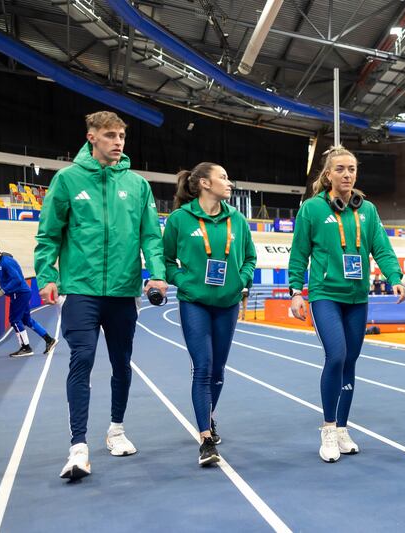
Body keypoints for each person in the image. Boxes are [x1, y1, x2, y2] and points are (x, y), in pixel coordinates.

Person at [34, 111, 167, 480]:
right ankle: (78, 447)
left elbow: (150, 237)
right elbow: (48, 234)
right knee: (82, 358)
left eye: (121, 135)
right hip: (81, 288)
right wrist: (47, 275)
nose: (118, 142)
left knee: (122, 363)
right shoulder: (67, 180)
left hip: (123, 291)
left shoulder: (138, 185)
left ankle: (116, 429)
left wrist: (157, 274)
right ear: (91, 137)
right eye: (110, 135)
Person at [288, 146, 405, 463]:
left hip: (357, 298)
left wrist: (394, 276)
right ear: (328, 175)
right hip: (325, 294)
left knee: (350, 361)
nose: (347, 174)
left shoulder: (367, 210)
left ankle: (342, 428)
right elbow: (299, 253)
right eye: (340, 169)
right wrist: (296, 291)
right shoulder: (312, 209)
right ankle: (328, 429)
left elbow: (382, 247)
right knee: (337, 355)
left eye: (352, 169)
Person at [163, 162, 257, 467]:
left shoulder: (237, 220)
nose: (230, 183)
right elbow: (166, 260)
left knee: (218, 370)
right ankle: (205, 438)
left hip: (228, 303)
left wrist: (242, 280)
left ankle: (208, 415)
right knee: (202, 367)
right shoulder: (180, 219)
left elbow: (251, 257)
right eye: (223, 178)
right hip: (195, 303)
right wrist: (183, 281)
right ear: (204, 183)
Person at [0, 246, 57, 357]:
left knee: (14, 320)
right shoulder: (0, 262)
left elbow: (17, 279)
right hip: (21, 292)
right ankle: (49, 340)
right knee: (26, 320)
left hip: (19, 293)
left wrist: (3, 290)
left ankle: (26, 348)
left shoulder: (6, 262)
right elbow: (5, 278)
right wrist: (1, 287)